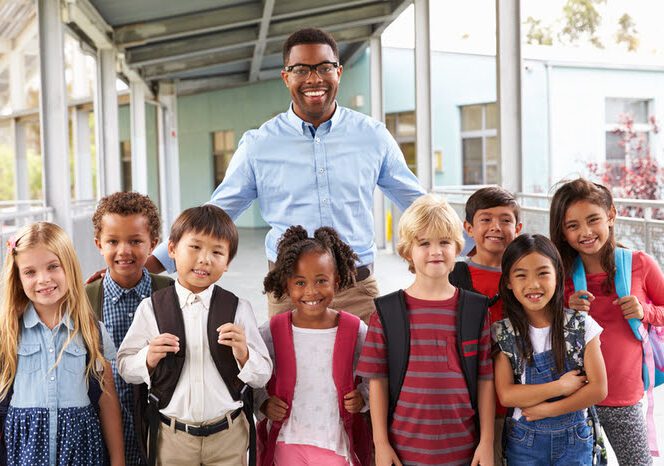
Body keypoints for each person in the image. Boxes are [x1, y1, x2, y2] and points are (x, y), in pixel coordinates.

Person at [142, 28, 425, 323]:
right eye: (301, 69)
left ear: (339, 72)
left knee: (362, 371)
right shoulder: (258, 144)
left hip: (355, 291)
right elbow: (216, 213)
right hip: (288, 291)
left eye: (324, 68)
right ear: (286, 76)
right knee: (288, 371)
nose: (314, 79)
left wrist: (472, 247)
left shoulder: (373, 136)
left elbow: (418, 204)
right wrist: (151, 263)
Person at [117, 205, 272, 466]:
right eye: (195, 247)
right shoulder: (151, 308)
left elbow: (263, 374)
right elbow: (124, 366)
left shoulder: (238, 309)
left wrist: (244, 355)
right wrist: (148, 357)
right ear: (173, 249)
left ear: (227, 263)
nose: (204, 259)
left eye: (217, 252)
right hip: (172, 436)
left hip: (229, 435)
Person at [357, 194, 494, 466]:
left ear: (457, 248)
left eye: (444, 242)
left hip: (463, 450)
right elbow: (377, 382)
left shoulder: (476, 310)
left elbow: (485, 380)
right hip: (404, 452)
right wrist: (381, 444)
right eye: (424, 243)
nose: (436, 251)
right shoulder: (387, 312)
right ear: (408, 251)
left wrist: (487, 442)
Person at [550, 178, 664, 465]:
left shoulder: (640, 263)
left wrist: (646, 312)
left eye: (593, 220)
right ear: (562, 232)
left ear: (611, 215)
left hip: (622, 397)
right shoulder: (556, 272)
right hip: (573, 396)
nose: (585, 232)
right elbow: (539, 321)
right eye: (572, 225)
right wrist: (564, 307)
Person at [0, 222, 124, 465]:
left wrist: (118, 459)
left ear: (69, 266)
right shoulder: (7, 333)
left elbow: (107, 400)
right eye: (30, 272)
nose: (43, 279)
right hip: (24, 452)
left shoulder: (91, 330)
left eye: (53, 266)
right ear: (18, 278)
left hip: (81, 449)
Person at [256, 225, 370, 465]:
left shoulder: (355, 330)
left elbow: (375, 374)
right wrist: (263, 402)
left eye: (321, 281)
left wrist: (363, 398)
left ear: (336, 282)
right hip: (288, 441)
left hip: (335, 442)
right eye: (299, 282)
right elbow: (254, 375)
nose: (311, 291)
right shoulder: (271, 331)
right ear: (287, 284)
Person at [492, 234, 607, 465]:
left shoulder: (581, 325)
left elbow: (598, 389)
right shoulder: (502, 332)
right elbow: (506, 394)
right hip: (524, 441)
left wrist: (548, 410)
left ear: (557, 275)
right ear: (508, 282)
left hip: (576, 440)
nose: (533, 284)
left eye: (543, 273)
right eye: (521, 275)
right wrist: (560, 386)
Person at [86, 191, 174, 465]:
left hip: (161, 433)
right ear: (99, 244)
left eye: (135, 241)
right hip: (106, 432)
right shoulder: (85, 300)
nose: (124, 251)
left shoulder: (172, 294)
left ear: (153, 244)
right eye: (113, 241)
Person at [449, 186, 522, 464]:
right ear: (468, 227)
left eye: (505, 220)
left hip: (518, 404)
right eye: (486, 219)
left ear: (518, 227)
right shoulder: (454, 276)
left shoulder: (527, 276)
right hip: (470, 405)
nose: (496, 227)